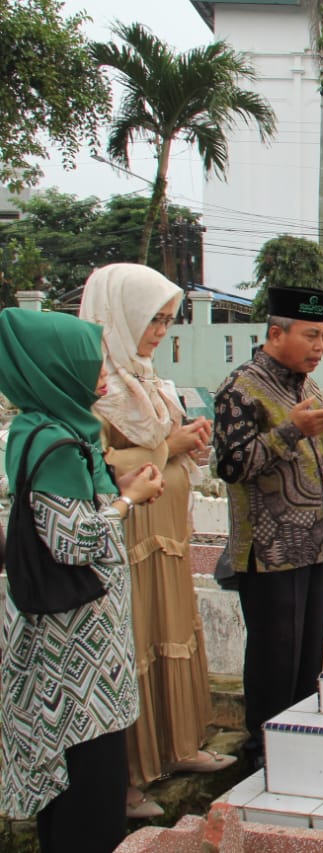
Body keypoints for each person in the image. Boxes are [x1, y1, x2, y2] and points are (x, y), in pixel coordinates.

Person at [0, 309, 164, 853]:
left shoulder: (40, 425)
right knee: (89, 791)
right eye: (88, 362)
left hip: (65, 641)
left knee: (67, 793)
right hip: (80, 656)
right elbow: (74, 542)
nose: (101, 373)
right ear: (55, 368)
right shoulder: (57, 441)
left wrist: (114, 482)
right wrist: (127, 501)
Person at [78, 264, 230, 820]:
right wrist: (168, 446)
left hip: (166, 529)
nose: (160, 331)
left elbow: (165, 446)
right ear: (118, 316)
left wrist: (190, 442)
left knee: (172, 626)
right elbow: (99, 465)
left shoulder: (145, 377)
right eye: (152, 320)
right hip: (130, 532)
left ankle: (177, 746)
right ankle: (130, 776)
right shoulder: (94, 384)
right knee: (139, 638)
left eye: (168, 321)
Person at [212, 287, 323, 771]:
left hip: (315, 542)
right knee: (273, 658)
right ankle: (261, 752)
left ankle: (299, 742)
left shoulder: (307, 387)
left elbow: (317, 458)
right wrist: (291, 431)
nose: (320, 346)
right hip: (269, 545)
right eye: (311, 335)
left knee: (305, 658)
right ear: (276, 334)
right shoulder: (241, 389)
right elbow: (233, 466)